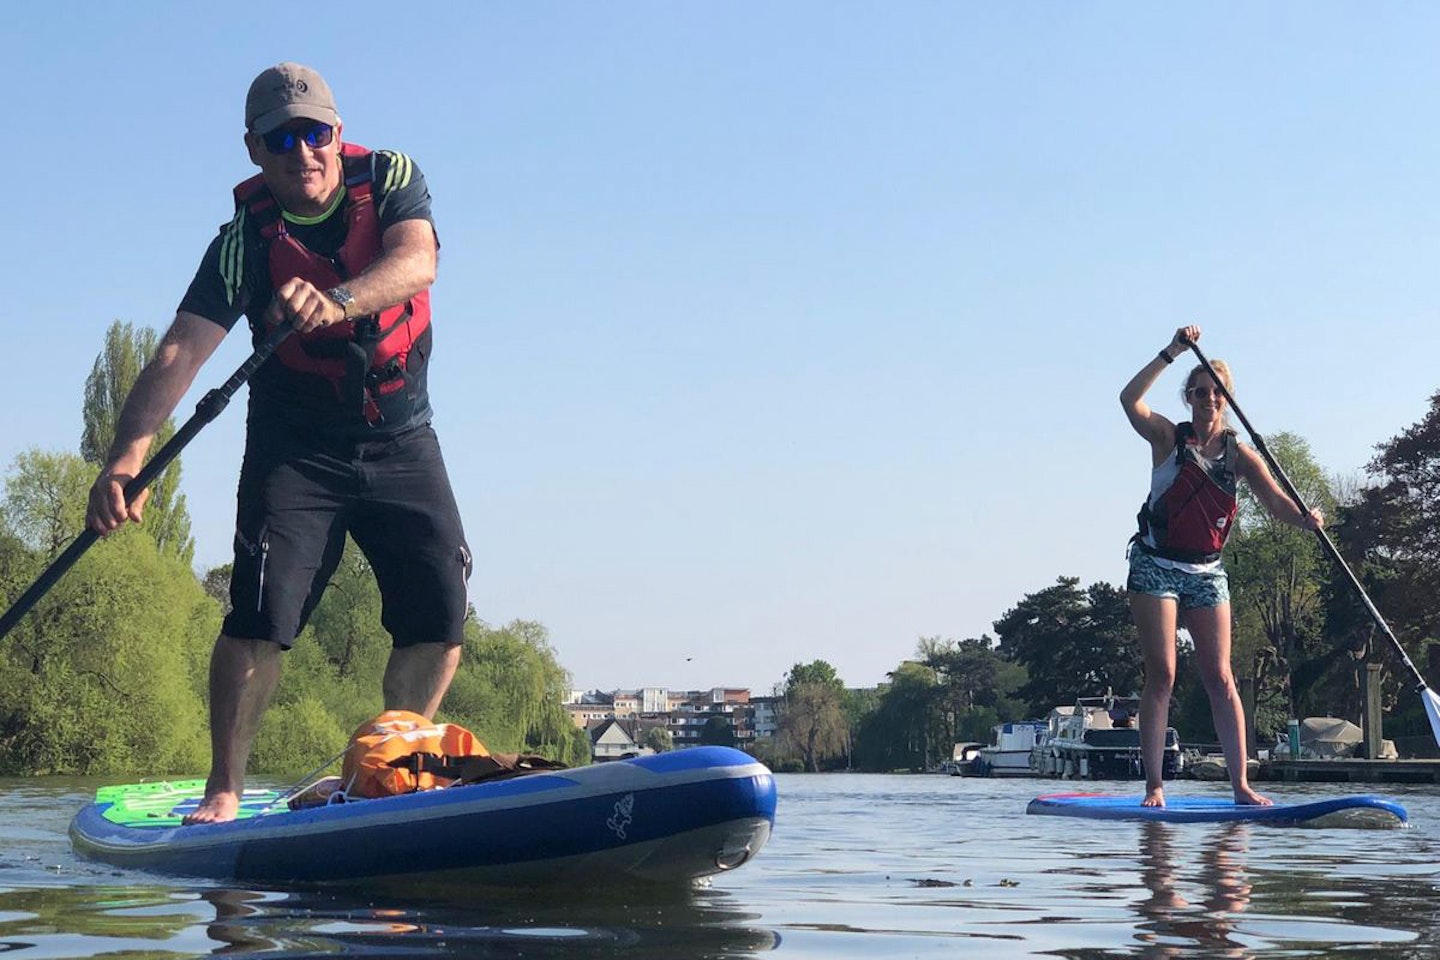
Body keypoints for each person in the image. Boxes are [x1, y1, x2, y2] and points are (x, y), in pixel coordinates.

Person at [85, 63, 471, 824]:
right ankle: (223, 790)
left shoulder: (391, 177)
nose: (304, 152)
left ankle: (393, 768)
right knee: (261, 616)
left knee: (440, 612)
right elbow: (180, 352)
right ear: (255, 151)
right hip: (295, 448)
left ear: (337, 132)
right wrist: (128, 455)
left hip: (400, 436)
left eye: (316, 133)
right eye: (281, 139)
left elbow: (417, 260)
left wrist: (338, 301)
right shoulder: (244, 242)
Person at [1120, 325, 1322, 808]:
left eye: (1216, 392)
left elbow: (1277, 506)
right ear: (1189, 397)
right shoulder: (1169, 438)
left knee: (1221, 676)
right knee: (1164, 672)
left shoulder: (1242, 455)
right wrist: (1171, 351)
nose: (1207, 399)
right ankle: (1154, 785)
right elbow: (1129, 400)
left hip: (1207, 571)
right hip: (1156, 566)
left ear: (1226, 398)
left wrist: (1307, 520)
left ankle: (1241, 785)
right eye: (1199, 392)